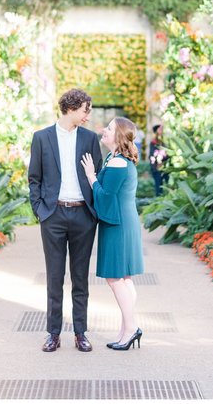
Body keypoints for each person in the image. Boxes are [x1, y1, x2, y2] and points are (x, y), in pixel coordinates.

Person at [27, 88, 103, 353]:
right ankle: (53, 333)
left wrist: (93, 211)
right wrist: (40, 210)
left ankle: (81, 333)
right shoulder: (41, 138)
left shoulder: (91, 139)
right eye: (86, 110)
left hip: (83, 215)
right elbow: (33, 178)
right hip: (53, 215)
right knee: (54, 277)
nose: (87, 116)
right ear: (71, 108)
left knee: (80, 278)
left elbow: (98, 176)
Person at [80, 117, 145, 351]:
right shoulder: (115, 158)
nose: (103, 131)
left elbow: (106, 195)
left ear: (118, 137)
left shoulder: (117, 162)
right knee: (124, 278)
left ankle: (131, 328)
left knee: (115, 277)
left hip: (118, 223)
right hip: (122, 220)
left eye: (109, 129)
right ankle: (127, 328)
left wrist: (90, 175)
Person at [148, 124, 169, 196]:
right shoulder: (153, 142)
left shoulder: (163, 142)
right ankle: (158, 200)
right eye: (160, 130)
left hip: (165, 166)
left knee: (167, 184)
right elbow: (152, 154)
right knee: (158, 186)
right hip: (157, 167)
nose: (161, 131)